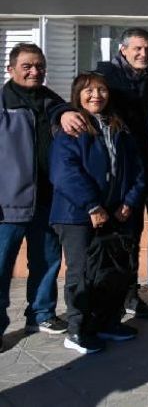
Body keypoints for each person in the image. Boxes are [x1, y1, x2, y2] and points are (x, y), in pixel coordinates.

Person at [49, 72, 146, 354]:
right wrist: (92, 205)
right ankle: (78, 330)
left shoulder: (118, 127)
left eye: (102, 90)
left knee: (112, 272)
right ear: (77, 95)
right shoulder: (72, 128)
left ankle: (107, 323)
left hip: (114, 213)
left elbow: (137, 170)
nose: (96, 96)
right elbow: (64, 172)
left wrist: (129, 200)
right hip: (77, 215)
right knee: (82, 274)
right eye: (89, 91)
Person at [0, 43, 79, 350]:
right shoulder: (4, 102)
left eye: (40, 66)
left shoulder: (49, 101)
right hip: (8, 203)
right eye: (27, 66)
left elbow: (66, 109)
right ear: (11, 69)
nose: (35, 71)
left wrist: (68, 111)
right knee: (1, 265)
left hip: (48, 198)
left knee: (46, 259)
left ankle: (41, 313)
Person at [94, 27, 148, 318]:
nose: (143, 54)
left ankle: (130, 296)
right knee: (107, 243)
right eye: (137, 48)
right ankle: (103, 302)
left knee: (132, 238)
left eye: (147, 49)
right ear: (123, 50)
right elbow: (80, 102)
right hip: (110, 174)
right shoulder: (105, 79)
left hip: (137, 172)